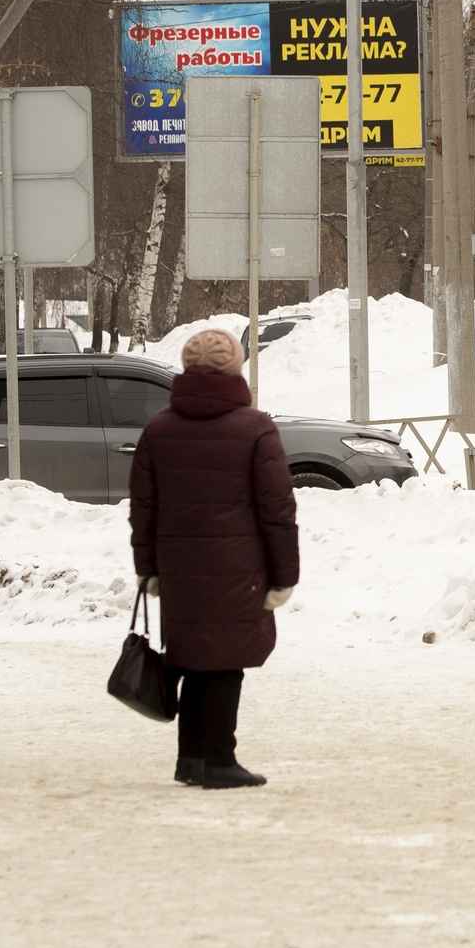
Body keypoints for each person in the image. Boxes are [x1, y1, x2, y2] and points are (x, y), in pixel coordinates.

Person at [129, 327, 300, 790]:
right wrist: (285, 575)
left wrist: (147, 568)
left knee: (188, 656)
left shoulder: (158, 428)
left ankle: (190, 759)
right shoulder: (255, 428)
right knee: (225, 661)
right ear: (236, 370)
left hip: (178, 568)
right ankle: (219, 760)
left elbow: (143, 506)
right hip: (238, 567)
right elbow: (278, 510)